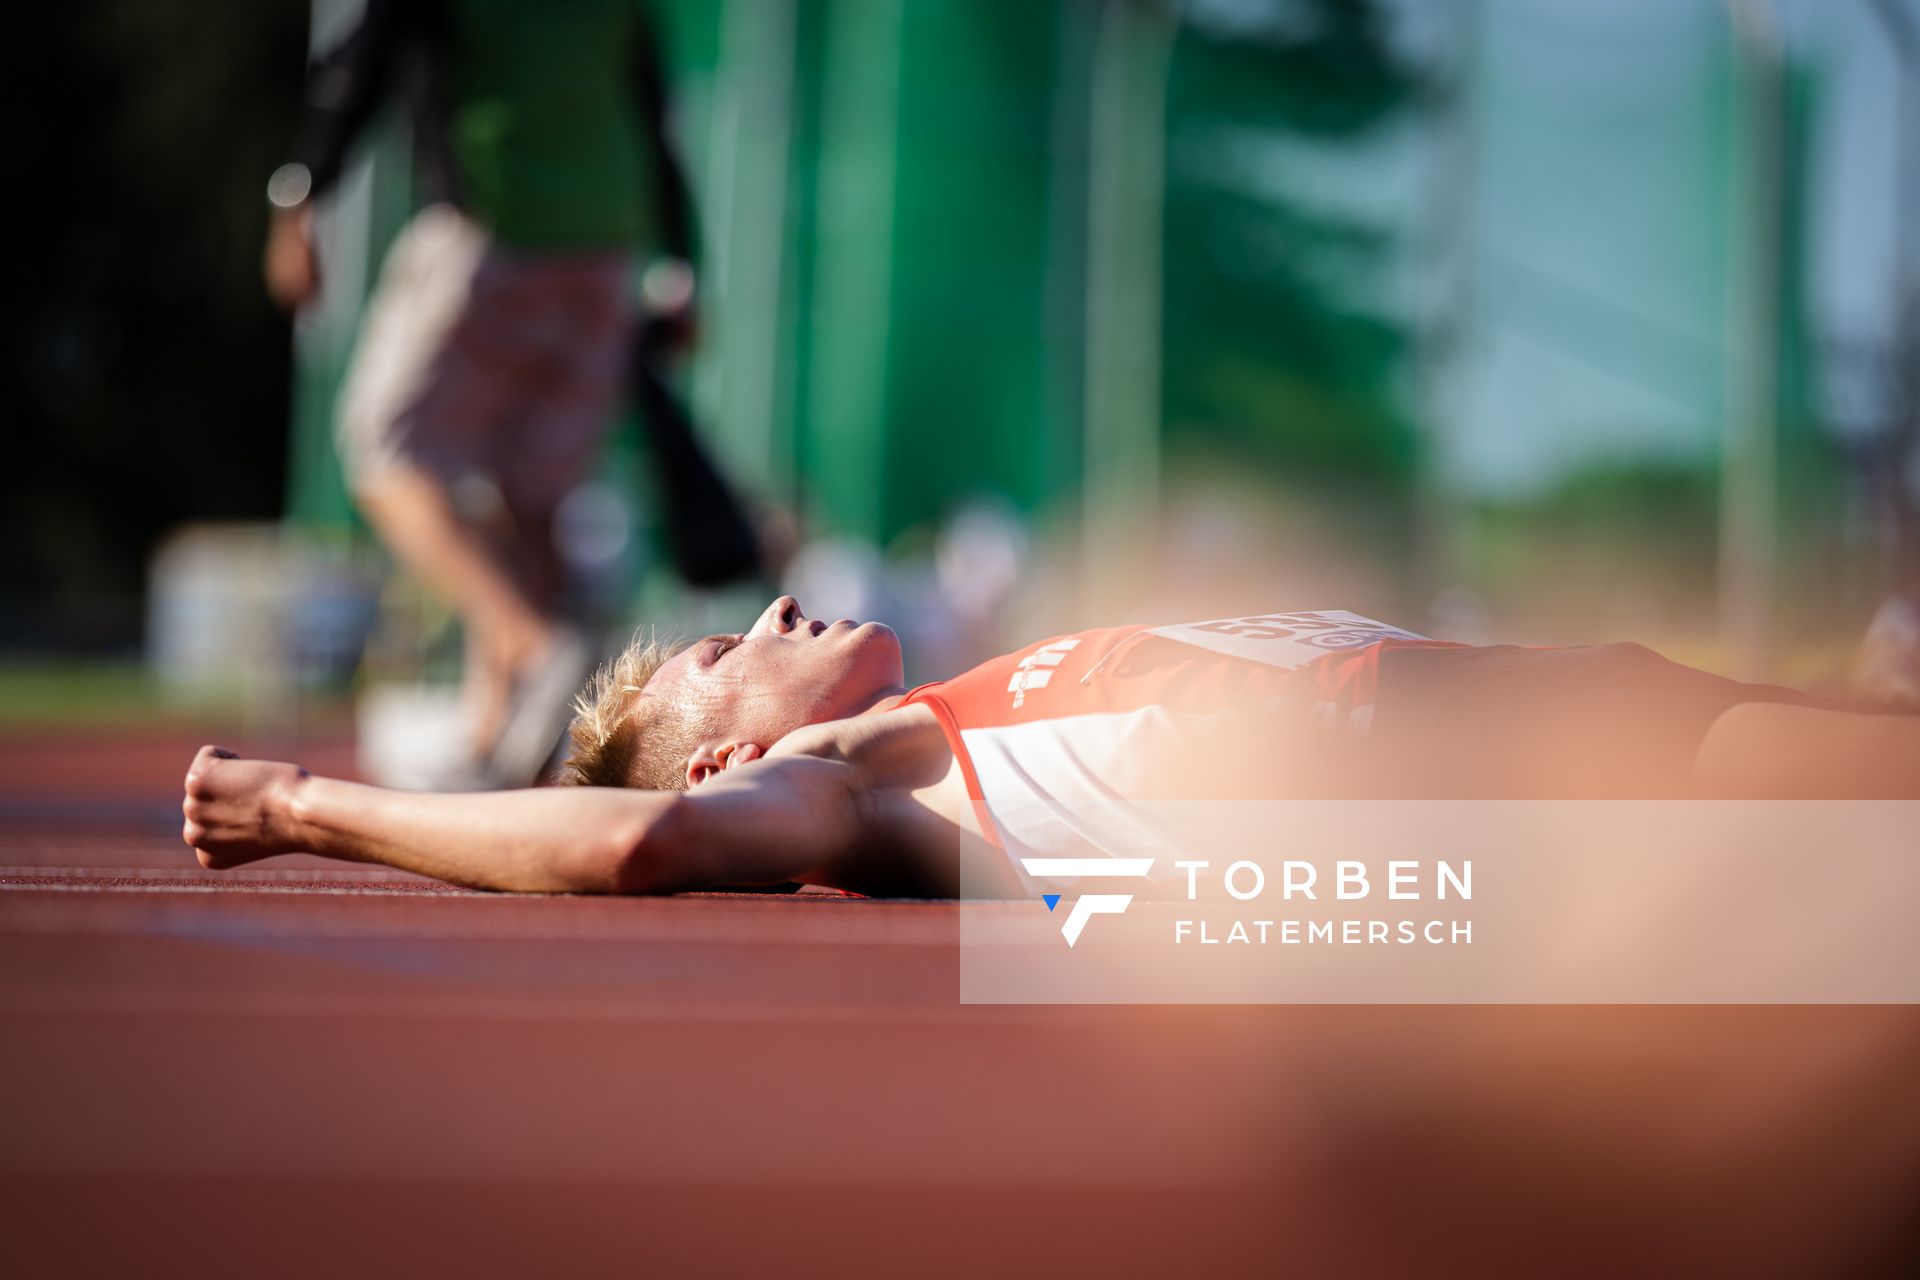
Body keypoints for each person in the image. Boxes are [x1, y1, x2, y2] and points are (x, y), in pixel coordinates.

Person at [181, 597, 1920, 897]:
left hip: (1530, 714)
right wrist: (305, 805)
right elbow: (629, 846)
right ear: (718, 762)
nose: (784, 613)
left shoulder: (948, 712)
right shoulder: (858, 772)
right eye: (731, 654)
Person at [263, 0, 701, 786]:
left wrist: (301, 194)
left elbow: (357, 66)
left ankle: (534, 643)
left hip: (495, 231)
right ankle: (501, 746)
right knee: (528, 497)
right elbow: (653, 108)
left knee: (382, 448)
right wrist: (682, 263)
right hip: (606, 251)